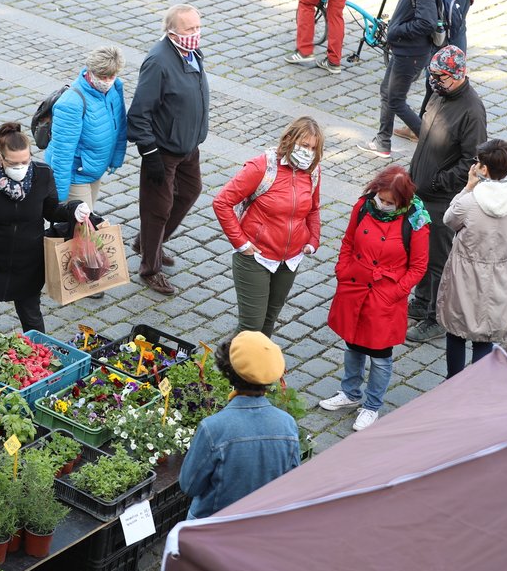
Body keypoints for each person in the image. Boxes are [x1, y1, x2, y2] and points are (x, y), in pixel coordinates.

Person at [0, 123, 89, 363]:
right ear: (0, 158)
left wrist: (75, 209)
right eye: (13, 163)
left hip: (28, 261)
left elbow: (52, 211)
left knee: (32, 319)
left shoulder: (43, 175)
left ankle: (42, 365)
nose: (20, 168)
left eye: (25, 161)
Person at [321, 166, 429, 431]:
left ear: (402, 201)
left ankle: (371, 406)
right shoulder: (363, 206)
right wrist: (343, 271)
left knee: (380, 356)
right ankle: (350, 393)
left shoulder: (416, 221)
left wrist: (394, 293)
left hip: (384, 297)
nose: (383, 205)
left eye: (390, 202)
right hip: (355, 287)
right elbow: (348, 242)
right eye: (381, 198)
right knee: (353, 344)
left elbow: (418, 266)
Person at [212, 117, 323, 338]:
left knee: (268, 322)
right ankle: (227, 368)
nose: (307, 152)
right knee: (251, 325)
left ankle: (255, 371)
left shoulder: (313, 171)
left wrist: (313, 240)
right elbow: (222, 202)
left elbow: (313, 209)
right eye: (303, 145)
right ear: (289, 140)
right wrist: (241, 243)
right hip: (256, 257)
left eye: (312, 148)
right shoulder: (261, 167)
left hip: (289, 260)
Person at [126, 4, 209, 296]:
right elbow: (138, 114)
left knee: (190, 191)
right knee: (156, 209)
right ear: (172, 31)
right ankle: (150, 268)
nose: (196, 34)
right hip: (162, 151)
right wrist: (150, 154)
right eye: (190, 29)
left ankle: (148, 243)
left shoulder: (192, 52)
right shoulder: (158, 62)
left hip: (188, 145)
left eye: (198, 27)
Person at [406, 46, 485, 342]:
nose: (433, 81)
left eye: (439, 76)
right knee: (421, 252)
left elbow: (472, 161)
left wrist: (439, 182)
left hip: (443, 199)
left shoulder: (472, 111)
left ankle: (436, 318)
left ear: (458, 75)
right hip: (420, 189)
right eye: (432, 74)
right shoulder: (439, 92)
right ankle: (422, 300)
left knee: (439, 260)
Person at [179, 331, 299, 520]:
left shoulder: (213, 428)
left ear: (228, 371)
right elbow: (290, 484)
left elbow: (189, 485)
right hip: (261, 525)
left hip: (212, 527)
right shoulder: (287, 424)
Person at [436, 140, 507, 378]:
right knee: (486, 336)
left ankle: (453, 382)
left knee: (457, 330)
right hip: (501, 275)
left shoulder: (469, 201)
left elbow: (449, 220)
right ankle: (475, 386)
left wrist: (467, 187)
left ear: (483, 169)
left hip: (466, 273)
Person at [358, 0, 439, 157]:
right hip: (404, 51)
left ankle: (432, 146)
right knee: (387, 92)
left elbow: (427, 22)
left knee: (396, 99)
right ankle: (383, 141)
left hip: (411, 54)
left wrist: (397, 31)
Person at [44, 45, 127, 211]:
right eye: (103, 76)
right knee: (83, 229)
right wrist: (60, 197)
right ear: (91, 72)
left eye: (112, 75)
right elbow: (62, 154)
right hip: (76, 175)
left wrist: (116, 158)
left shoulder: (115, 88)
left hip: (93, 169)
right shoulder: (71, 104)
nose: (108, 80)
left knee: (84, 225)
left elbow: (120, 126)